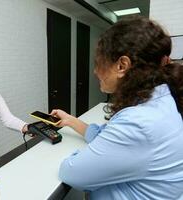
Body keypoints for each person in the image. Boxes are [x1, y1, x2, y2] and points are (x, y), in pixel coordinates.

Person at [51, 17, 183, 199]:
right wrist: (70, 121)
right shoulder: (159, 99)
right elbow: (104, 135)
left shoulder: (139, 122)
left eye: (98, 62)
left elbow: (71, 172)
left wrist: (85, 155)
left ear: (122, 66)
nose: (95, 71)